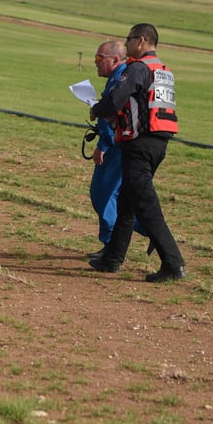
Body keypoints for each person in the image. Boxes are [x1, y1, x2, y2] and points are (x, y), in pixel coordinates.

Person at [88, 23, 185, 282]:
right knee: (127, 203)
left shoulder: (137, 68)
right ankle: (112, 258)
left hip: (139, 145)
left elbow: (115, 101)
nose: (127, 44)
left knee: (145, 205)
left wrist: (96, 109)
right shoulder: (164, 71)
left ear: (141, 41)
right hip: (158, 143)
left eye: (129, 39)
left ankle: (173, 264)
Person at [87, 40, 129, 258]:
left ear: (114, 60)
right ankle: (148, 232)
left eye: (99, 59)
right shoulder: (118, 77)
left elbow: (113, 120)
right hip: (119, 145)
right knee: (116, 197)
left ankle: (112, 245)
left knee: (102, 194)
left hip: (117, 147)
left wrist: (103, 145)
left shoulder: (121, 80)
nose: (95, 63)